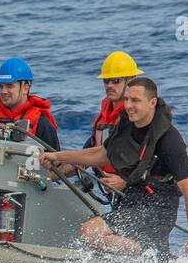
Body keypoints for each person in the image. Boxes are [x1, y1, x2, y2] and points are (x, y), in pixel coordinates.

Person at [40, 77, 188, 258]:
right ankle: (150, 255)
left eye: (135, 100)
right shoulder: (127, 125)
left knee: (90, 232)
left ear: (152, 102)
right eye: (127, 99)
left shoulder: (169, 139)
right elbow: (100, 155)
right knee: (97, 239)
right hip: (132, 199)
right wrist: (58, 156)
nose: (128, 105)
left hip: (158, 208)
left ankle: (146, 253)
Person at [55, 50, 142, 181]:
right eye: (106, 81)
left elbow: (150, 160)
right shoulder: (102, 119)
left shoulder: (139, 116)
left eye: (116, 80)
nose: (110, 86)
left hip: (137, 188)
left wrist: (125, 181)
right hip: (113, 192)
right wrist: (50, 175)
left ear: (132, 80)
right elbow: (85, 159)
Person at [0, 58, 60, 150]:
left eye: (9, 86)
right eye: (1, 86)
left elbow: (56, 161)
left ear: (25, 88)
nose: (3, 91)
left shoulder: (42, 124)